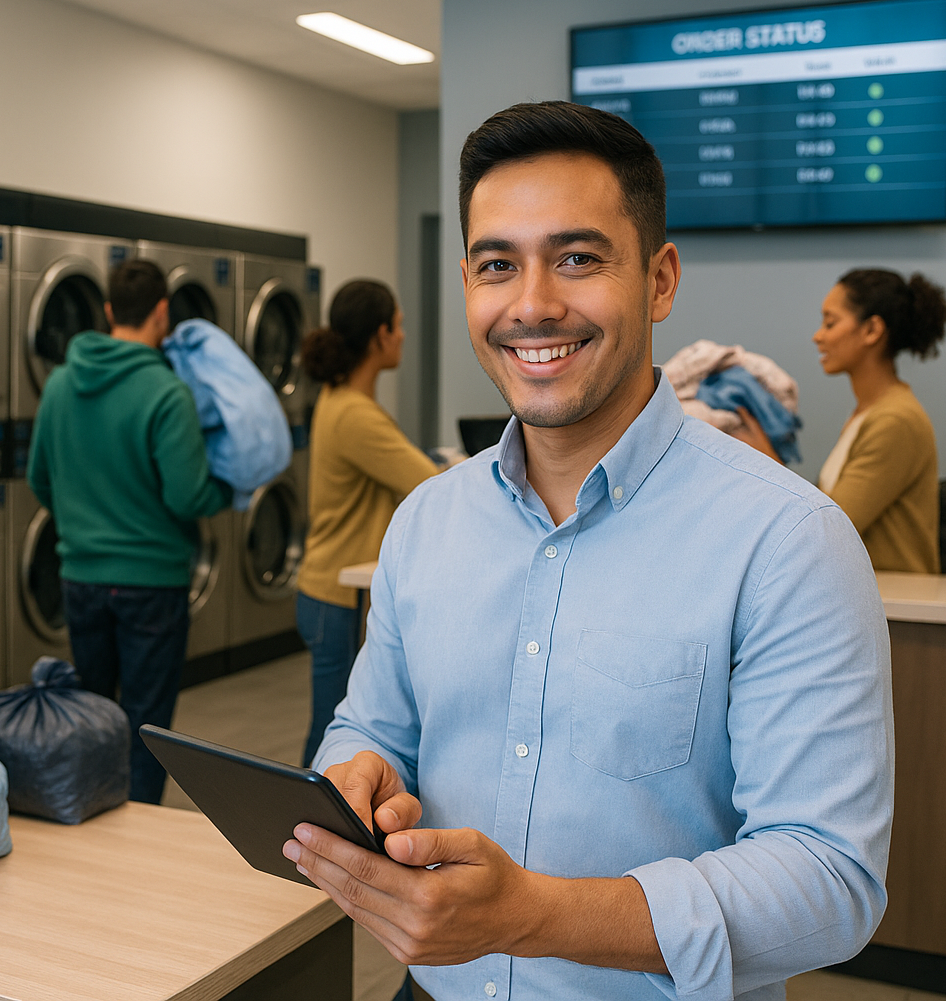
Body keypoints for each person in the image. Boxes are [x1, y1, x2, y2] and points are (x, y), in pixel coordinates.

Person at [283, 101, 894, 1001]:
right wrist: (358, 774)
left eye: (577, 258)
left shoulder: (787, 541)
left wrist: (528, 912)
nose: (532, 306)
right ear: (466, 285)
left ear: (658, 279)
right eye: (498, 265)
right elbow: (371, 727)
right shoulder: (424, 522)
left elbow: (831, 879)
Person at [26, 257, 230, 804]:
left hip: (81, 578)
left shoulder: (61, 383)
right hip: (151, 582)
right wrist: (229, 494)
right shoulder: (165, 393)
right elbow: (186, 496)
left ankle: (88, 813)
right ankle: (137, 827)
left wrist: (82, 521)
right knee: (146, 724)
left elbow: (39, 480)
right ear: (162, 314)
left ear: (109, 310)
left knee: (93, 712)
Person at [297, 279, 440, 766]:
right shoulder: (356, 415)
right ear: (380, 335)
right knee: (334, 734)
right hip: (335, 595)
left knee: (329, 727)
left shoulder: (337, 400)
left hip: (321, 588)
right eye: (398, 326)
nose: (402, 336)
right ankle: (302, 834)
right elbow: (427, 483)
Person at [735, 270, 946, 573]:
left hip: (898, 608)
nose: (818, 336)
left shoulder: (896, 420)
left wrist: (767, 460)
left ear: (872, 330)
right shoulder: (867, 414)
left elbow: (830, 526)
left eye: (830, 323)